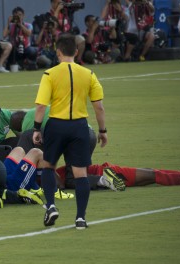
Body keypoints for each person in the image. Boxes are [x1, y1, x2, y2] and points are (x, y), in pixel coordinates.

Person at [33, 33, 107, 230]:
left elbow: (41, 106)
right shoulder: (89, 74)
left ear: (57, 52)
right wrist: (102, 130)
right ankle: (80, 218)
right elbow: (99, 106)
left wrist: (37, 128)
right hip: (79, 127)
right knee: (80, 174)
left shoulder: (50, 74)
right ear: (76, 51)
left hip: (57, 125)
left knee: (48, 166)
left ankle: (50, 206)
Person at [56, 158, 180, 188]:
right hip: (108, 173)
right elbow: (64, 183)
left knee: (152, 174)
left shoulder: (49, 174)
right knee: (153, 175)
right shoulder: (55, 179)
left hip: (105, 171)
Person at [48, 0, 85, 64]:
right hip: (58, 36)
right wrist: (57, 10)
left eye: (61, 3)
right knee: (58, 37)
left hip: (69, 34)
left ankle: (77, 61)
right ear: (53, 3)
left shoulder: (65, 12)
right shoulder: (49, 14)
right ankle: (61, 61)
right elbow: (53, 23)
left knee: (81, 39)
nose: (61, 4)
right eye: (58, 3)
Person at [3, 7, 37, 71]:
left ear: (23, 15)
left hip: (26, 48)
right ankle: (16, 64)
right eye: (16, 15)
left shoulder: (28, 25)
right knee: (11, 51)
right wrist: (8, 22)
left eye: (20, 15)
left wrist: (20, 25)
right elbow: (4, 35)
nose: (18, 17)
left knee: (32, 50)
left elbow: (29, 34)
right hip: (15, 49)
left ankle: (31, 64)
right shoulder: (11, 26)